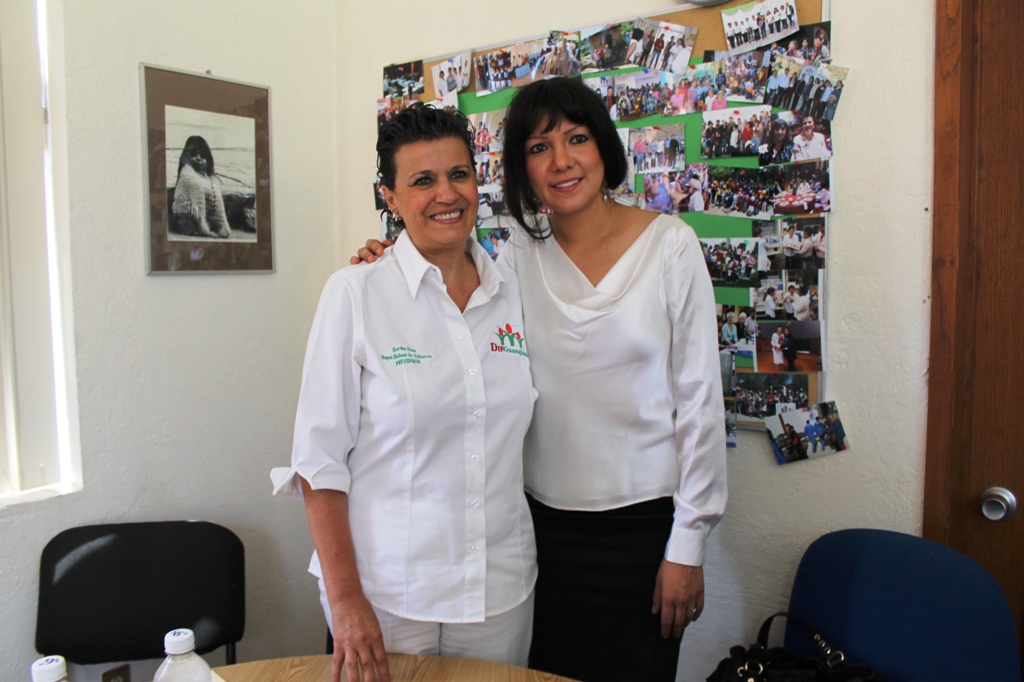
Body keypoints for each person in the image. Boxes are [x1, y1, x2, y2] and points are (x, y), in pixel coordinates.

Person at [355, 77, 726, 682]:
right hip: (540, 532)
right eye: (538, 147)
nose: (560, 161)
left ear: (603, 146)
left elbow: (702, 404)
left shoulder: (671, 248)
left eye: (576, 138)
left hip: (645, 532)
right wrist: (387, 263)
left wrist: (689, 543)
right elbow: (450, 310)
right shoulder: (516, 260)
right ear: (521, 169)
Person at [275, 104, 538, 682]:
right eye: (423, 180)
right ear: (389, 197)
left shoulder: (512, 291)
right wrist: (346, 601)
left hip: (499, 588)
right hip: (387, 595)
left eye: (459, 174)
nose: (447, 194)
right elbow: (319, 463)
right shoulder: (355, 293)